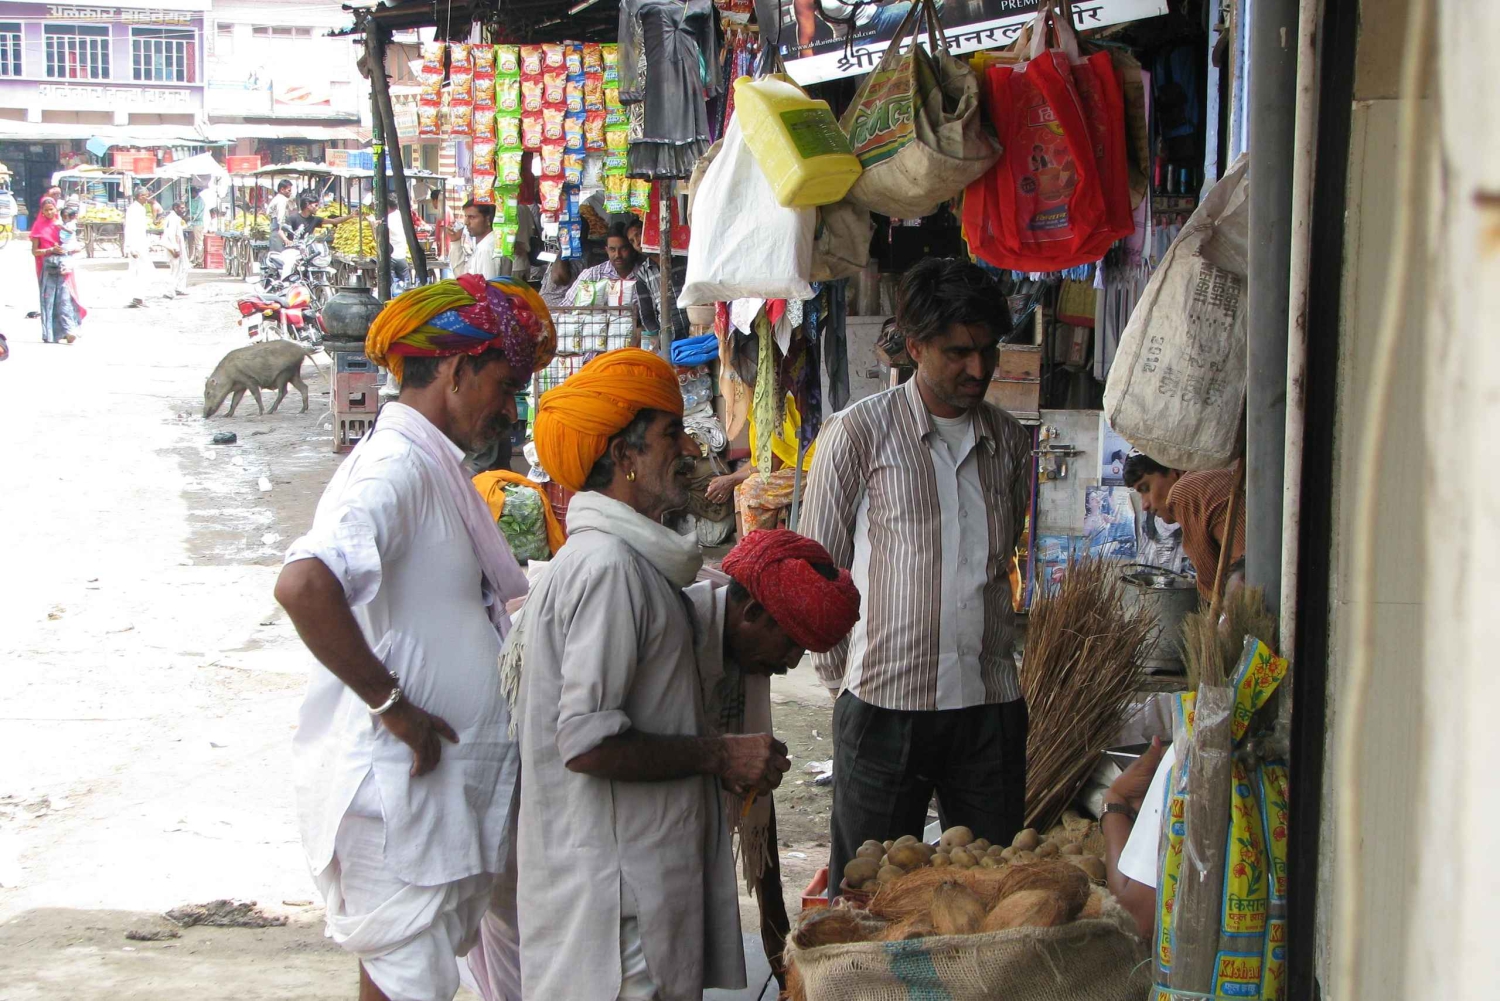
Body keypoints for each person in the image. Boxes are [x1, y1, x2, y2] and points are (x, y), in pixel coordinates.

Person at [273, 275, 556, 1001]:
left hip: (425, 795)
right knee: (405, 980)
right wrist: (392, 703)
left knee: (406, 978)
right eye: (502, 382)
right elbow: (304, 585)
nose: (508, 405)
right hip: (397, 791)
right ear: (457, 370)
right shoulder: (395, 467)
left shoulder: (430, 466)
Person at [517, 348, 787, 1000]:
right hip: (613, 915)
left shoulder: (634, 565)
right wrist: (720, 753)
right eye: (671, 432)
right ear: (625, 454)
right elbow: (585, 741)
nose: (689, 448)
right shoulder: (608, 570)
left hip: (631, 895)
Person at [801, 257, 1034, 899]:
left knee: (992, 896)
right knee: (869, 897)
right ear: (914, 346)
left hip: (989, 705)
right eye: (958, 352)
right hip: (883, 707)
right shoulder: (857, 434)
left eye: (988, 350)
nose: (979, 370)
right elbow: (817, 570)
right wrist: (846, 683)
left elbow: (1000, 558)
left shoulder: (1011, 442)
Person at [689, 530, 861, 988]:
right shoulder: (674, 631)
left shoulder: (741, 652)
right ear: (751, 613)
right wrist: (724, 758)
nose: (790, 663)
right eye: (791, 646)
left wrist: (781, 947)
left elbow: (755, 808)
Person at [1123, 452, 1246, 602]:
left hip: (1255, 584)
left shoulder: (1185, 490)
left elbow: (1211, 583)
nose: (1144, 505)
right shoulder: (1213, 475)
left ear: (1175, 473)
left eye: (1146, 488)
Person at [706, 393, 817, 534]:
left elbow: (771, 465)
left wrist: (731, 479)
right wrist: (731, 479)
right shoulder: (756, 413)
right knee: (738, 488)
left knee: (751, 489)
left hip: (809, 469)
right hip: (791, 467)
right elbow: (757, 462)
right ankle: (743, 550)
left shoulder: (769, 409)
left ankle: (758, 549)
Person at [32, 198, 84, 344]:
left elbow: (73, 242)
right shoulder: (38, 227)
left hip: (64, 268)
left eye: (52, 209)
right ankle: (51, 334)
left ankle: (69, 331)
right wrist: (50, 250)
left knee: (65, 299)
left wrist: (72, 249)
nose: (49, 212)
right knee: (49, 302)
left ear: (56, 209)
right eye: (46, 210)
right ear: (42, 211)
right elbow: (35, 251)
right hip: (47, 269)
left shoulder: (62, 225)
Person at [564, 220, 651, 306]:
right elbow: (564, 308)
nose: (618, 255)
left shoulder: (646, 273)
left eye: (623, 249)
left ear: (632, 249)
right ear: (606, 250)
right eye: (612, 249)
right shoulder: (592, 275)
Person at [123, 186, 154, 308]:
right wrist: (130, 248)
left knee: (142, 271)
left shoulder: (141, 209)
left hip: (141, 244)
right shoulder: (133, 209)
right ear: (140, 196)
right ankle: (137, 297)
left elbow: (141, 230)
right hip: (136, 246)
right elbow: (129, 228)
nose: (148, 197)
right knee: (141, 271)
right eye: (146, 195)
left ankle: (139, 297)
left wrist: (148, 244)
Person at [155, 201, 190, 299]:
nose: (183, 210)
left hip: (178, 247)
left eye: (183, 208)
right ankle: (169, 291)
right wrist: (175, 248)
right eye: (181, 208)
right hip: (174, 247)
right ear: (175, 208)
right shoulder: (172, 219)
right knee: (174, 270)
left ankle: (178, 288)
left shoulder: (176, 218)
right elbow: (170, 235)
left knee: (184, 267)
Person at [460, 200, 500, 280]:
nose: (466, 222)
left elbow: (486, 288)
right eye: (466, 216)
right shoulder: (487, 243)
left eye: (472, 217)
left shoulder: (485, 249)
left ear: (488, 220)